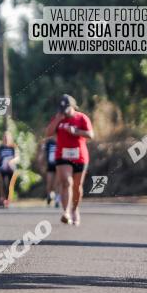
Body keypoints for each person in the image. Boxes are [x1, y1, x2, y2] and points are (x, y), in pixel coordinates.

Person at [46, 94, 94, 225]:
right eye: (61, 108)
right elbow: (48, 133)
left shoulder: (82, 117)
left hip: (80, 156)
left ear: (73, 106)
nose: (64, 111)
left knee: (77, 186)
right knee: (66, 182)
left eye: (66, 108)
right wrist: (57, 120)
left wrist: (75, 131)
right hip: (62, 155)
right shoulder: (58, 118)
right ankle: (66, 212)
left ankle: (75, 210)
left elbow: (90, 134)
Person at [0, 131, 20, 208]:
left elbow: (17, 158)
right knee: (2, 183)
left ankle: (8, 200)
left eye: (7, 137)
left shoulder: (13, 147)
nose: (6, 139)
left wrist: (11, 161)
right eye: (4, 137)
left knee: (10, 184)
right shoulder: (0, 147)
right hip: (1, 168)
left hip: (11, 168)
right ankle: (3, 198)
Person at [40, 136, 60, 207]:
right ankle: (49, 196)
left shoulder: (61, 140)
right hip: (50, 165)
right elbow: (43, 153)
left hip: (59, 165)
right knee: (49, 183)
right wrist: (42, 163)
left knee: (56, 184)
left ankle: (57, 199)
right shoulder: (48, 142)